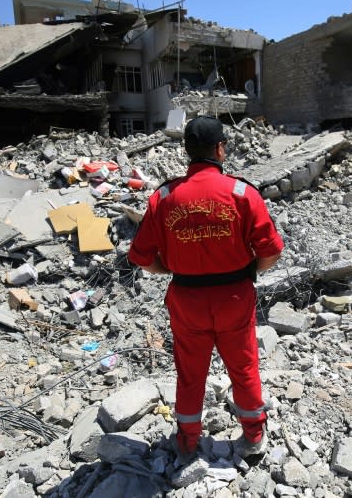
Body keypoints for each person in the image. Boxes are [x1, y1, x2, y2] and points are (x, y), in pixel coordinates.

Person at [128, 115, 284, 462]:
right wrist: (248, 272)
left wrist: (168, 267)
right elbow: (271, 251)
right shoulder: (242, 193)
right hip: (234, 297)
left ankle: (187, 443)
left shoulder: (164, 198)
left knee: (190, 373)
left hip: (187, 301)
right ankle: (253, 436)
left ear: (187, 152)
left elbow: (140, 258)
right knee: (243, 367)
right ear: (220, 149)